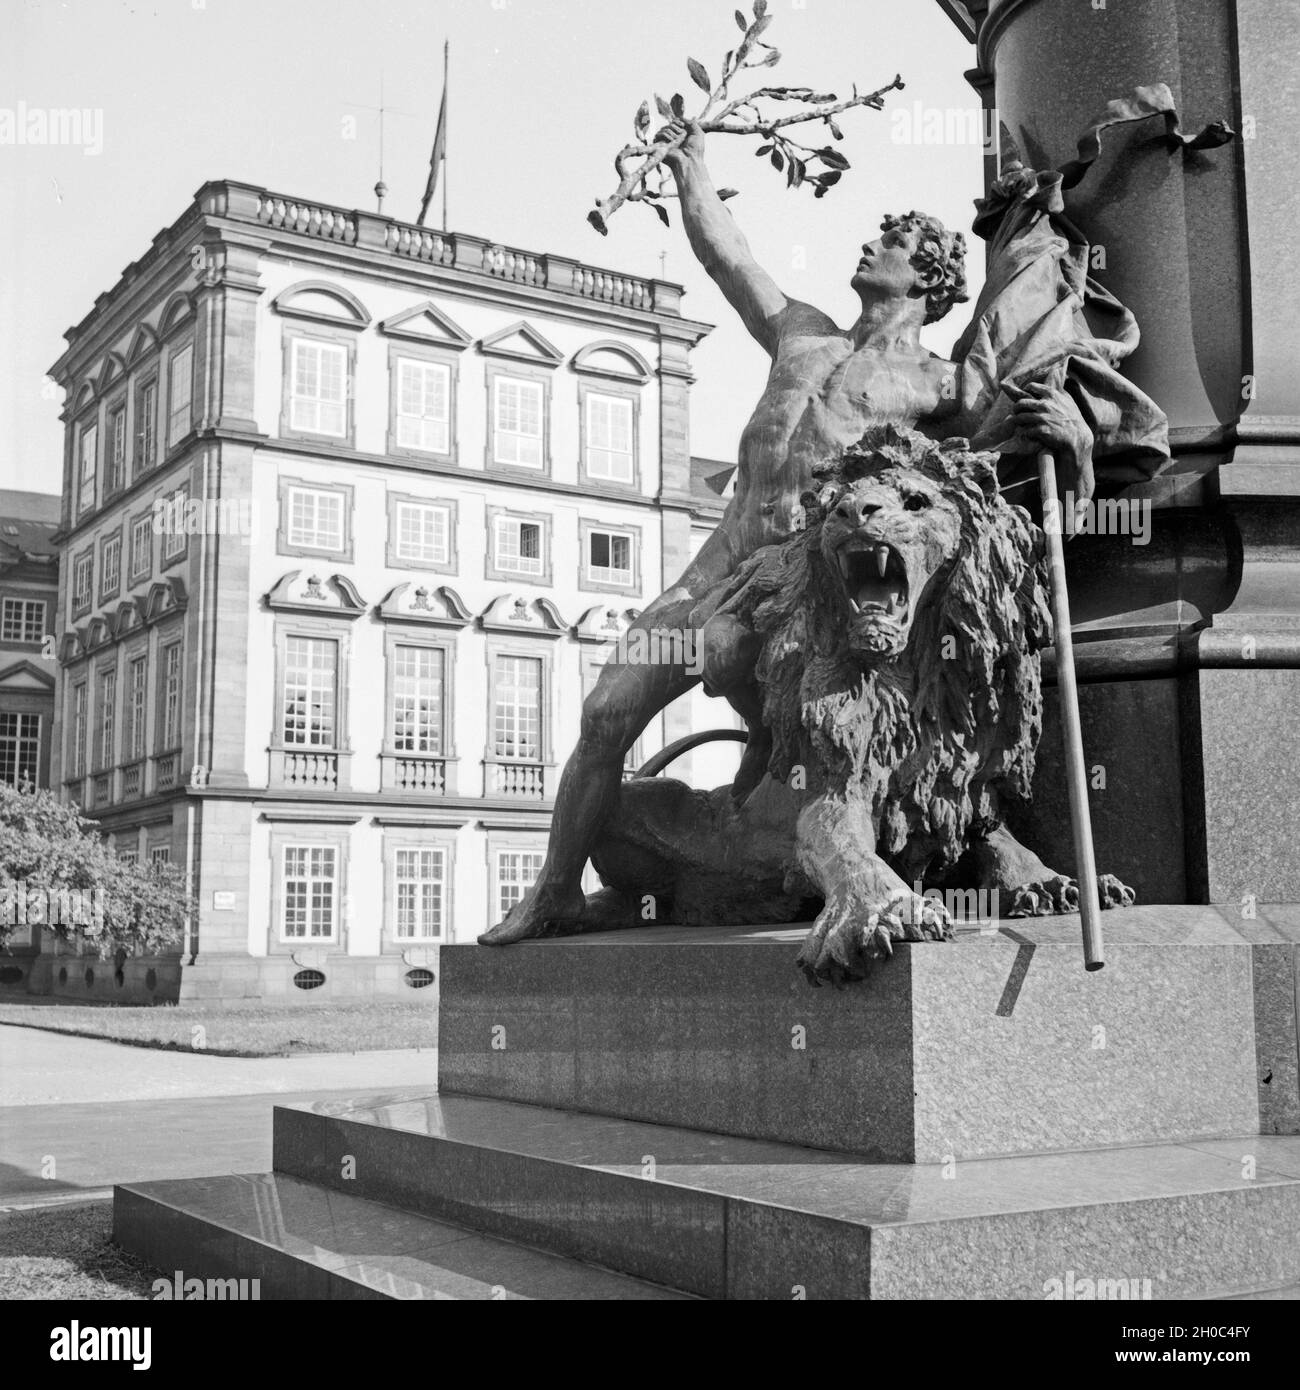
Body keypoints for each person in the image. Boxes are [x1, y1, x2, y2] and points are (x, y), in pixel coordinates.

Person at [479, 118, 1097, 945]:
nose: (872, 245)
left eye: (894, 240)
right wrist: (692, 169)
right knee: (604, 716)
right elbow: (729, 258)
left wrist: (1079, 445)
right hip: (716, 567)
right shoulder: (800, 332)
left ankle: (825, 859)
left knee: (782, 748)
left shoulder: (945, 383)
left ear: (932, 278)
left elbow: (1003, 499)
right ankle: (554, 890)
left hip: (803, 589)